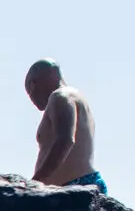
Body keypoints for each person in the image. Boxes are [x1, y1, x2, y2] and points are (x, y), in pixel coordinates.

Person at [24, 59, 106, 195]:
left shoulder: (60, 96)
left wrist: (35, 183)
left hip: (76, 186)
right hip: (82, 183)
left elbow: (65, 140)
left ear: (32, 85)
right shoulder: (77, 98)